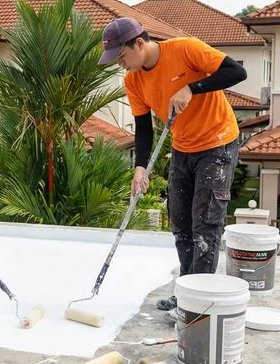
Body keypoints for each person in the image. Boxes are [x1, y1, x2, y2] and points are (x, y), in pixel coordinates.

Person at [98, 18, 246, 320]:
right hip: (182, 146)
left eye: (121, 57)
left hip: (217, 143)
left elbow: (237, 71)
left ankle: (199, 305)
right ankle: (186, 293)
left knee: (204, 226)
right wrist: (140, 168)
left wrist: (193, 87)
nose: (120, 65)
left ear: (139, 43)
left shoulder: (185, 49)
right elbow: (143, 128)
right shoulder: (134, 80)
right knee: (179, 222)